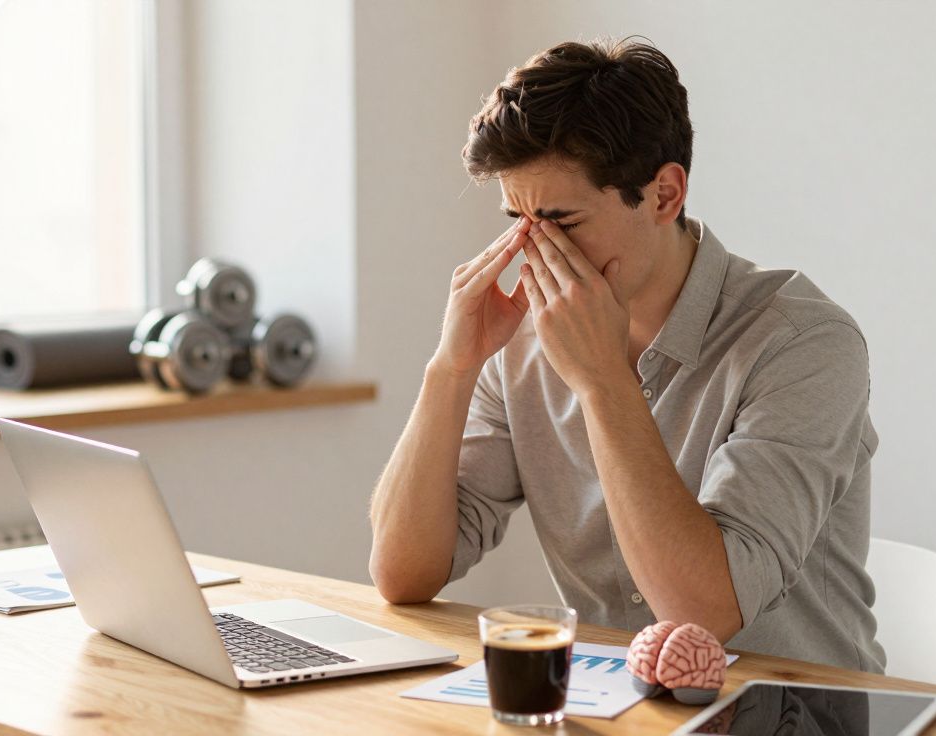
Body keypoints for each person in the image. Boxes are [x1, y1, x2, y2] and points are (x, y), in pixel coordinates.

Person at [367, 37, 885, 673]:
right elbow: (402, 573)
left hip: (792, 713)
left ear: (664, 195)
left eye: (562, 221)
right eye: (518, 222)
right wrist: (450, 368)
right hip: (616, 709)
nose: (534, 252)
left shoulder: (803, 342)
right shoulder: (522, 343)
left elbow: (703, 615)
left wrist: (604, 382)